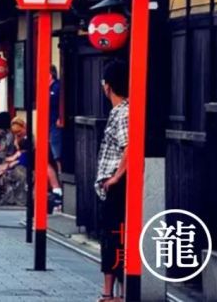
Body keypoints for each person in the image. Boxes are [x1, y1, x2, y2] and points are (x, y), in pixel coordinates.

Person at [95, 60, 129, 302]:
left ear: (107, 86)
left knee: (115, 237)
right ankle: (111, 294)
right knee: (113, 236)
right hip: (112, 185)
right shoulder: (119, 111)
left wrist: (116, 177)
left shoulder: (124, 112)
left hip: (117, 185)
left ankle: (112, 295)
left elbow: (130, 146)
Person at [49, 66, 64, 206]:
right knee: (47, 157)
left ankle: (61, 184)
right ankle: (56, 188)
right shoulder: (45, 88)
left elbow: (62, 103)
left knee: (57, 154)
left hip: (55, 124)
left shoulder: (57, 87)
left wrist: (61, 117)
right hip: (46, 125)